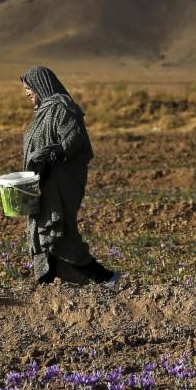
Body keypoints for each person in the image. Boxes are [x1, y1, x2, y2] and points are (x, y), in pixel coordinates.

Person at [20, 66, 119, 287]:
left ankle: (105, 278)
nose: (26, 93)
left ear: (40, 86)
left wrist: (56, 153)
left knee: (58, 231)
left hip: (59, 182)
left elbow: (73, 138)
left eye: (28, 88)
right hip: (45, 181)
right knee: (46, 229)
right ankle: (49, 282)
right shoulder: (45, 111)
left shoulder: (62, 108)